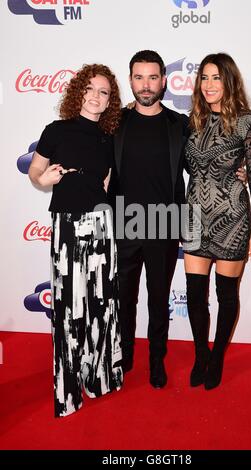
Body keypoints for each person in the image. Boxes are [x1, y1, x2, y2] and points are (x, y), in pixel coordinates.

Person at [108, 50, 247, 389]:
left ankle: (158, 361)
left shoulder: (180, 125)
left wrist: (236, 172)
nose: (145, 84)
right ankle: (125, 355)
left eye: (152, 77)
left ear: (163, 81)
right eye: (139, 77)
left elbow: (204, 164)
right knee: (124, 298)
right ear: (130, 81)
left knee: (158, 298)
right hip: (124, 222)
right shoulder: (115, 123)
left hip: (165, 222)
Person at [28, 64, 123, 417]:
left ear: (110, 100)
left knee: (101, 304)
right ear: (79, 91)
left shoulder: (109, 137)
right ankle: (68, 390)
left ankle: (99, 377)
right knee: (69, 307)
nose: (97, 96)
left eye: (105, 92)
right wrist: (45, 179)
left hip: (101, 226)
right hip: (67, 227)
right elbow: (35, 172)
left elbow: (108, 181)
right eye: (92, 89)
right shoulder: (56, 130)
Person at [183, 53, 251, 390]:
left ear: (229, 81)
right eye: (204, 77)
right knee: (193, 292)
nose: (209, 85)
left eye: (216, 77)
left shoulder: (249, 120)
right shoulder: (191, 120)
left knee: (226, 294)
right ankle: (201, 354)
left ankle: (217, 357)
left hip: (232, 217)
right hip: (193, 215)